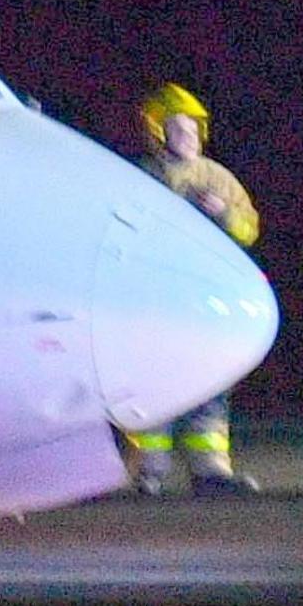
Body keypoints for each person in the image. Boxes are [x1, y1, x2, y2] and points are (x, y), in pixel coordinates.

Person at [122, 82, 261, 495]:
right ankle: (148, 471)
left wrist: (223, 214)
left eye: (195, 130)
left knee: (210, 385)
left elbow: (249, 229)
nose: (191, 138)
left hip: (203, 302)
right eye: (180, 130)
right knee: (152, 384)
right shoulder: (139, 177)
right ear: (156, 132)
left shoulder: (217, 177)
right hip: (152, 303)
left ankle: (211, 469)